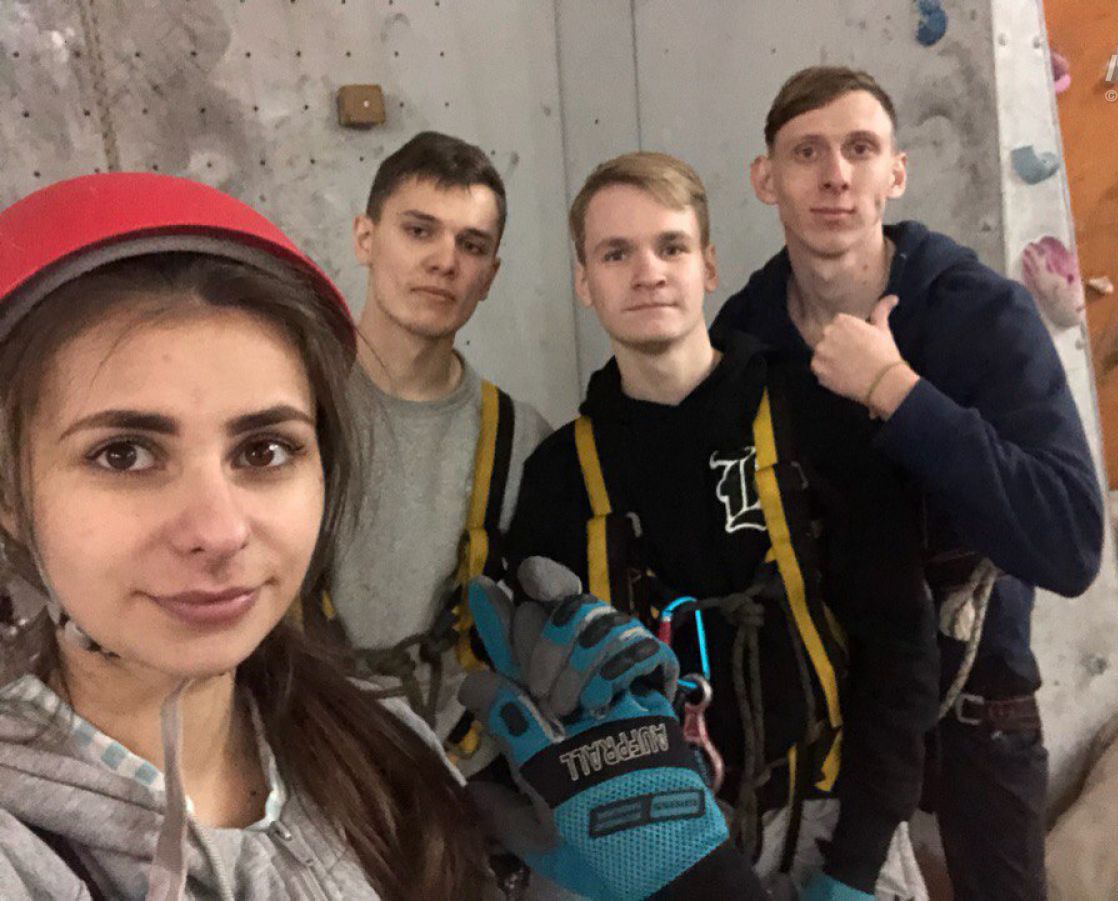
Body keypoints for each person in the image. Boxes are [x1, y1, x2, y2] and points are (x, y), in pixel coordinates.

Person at [0, 173, 758, 900]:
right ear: (9, 494)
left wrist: (670, 879)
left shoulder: (385, 753)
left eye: (265, 450)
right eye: (123, 454)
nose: (220, 531)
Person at [711, 67, 1104, 900]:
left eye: (860, 149)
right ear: (765, 178)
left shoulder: (979, 313)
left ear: (896, 172)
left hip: (975, 703)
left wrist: (897, 391)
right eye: (807, 152)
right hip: (820, 704)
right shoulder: (745, 335)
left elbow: (1068, 543)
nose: (835, 175)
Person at [506, 151, 939, 900]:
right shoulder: (560, 477)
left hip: (835, 822)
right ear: (585, 282)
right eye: (616, 253)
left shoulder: (817, 418)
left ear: (707, 265)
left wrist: (858, 865)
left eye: (671, 246)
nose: (648, 272)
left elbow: (901, 643)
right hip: (656, 846)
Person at [327, 132, 551, 772]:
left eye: (471, 245)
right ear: (365, 238)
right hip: (306, 766)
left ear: (490, 276)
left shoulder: (521, 438)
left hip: (463, 776)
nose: (444, 261)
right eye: (419, 231)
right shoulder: (282, 411)